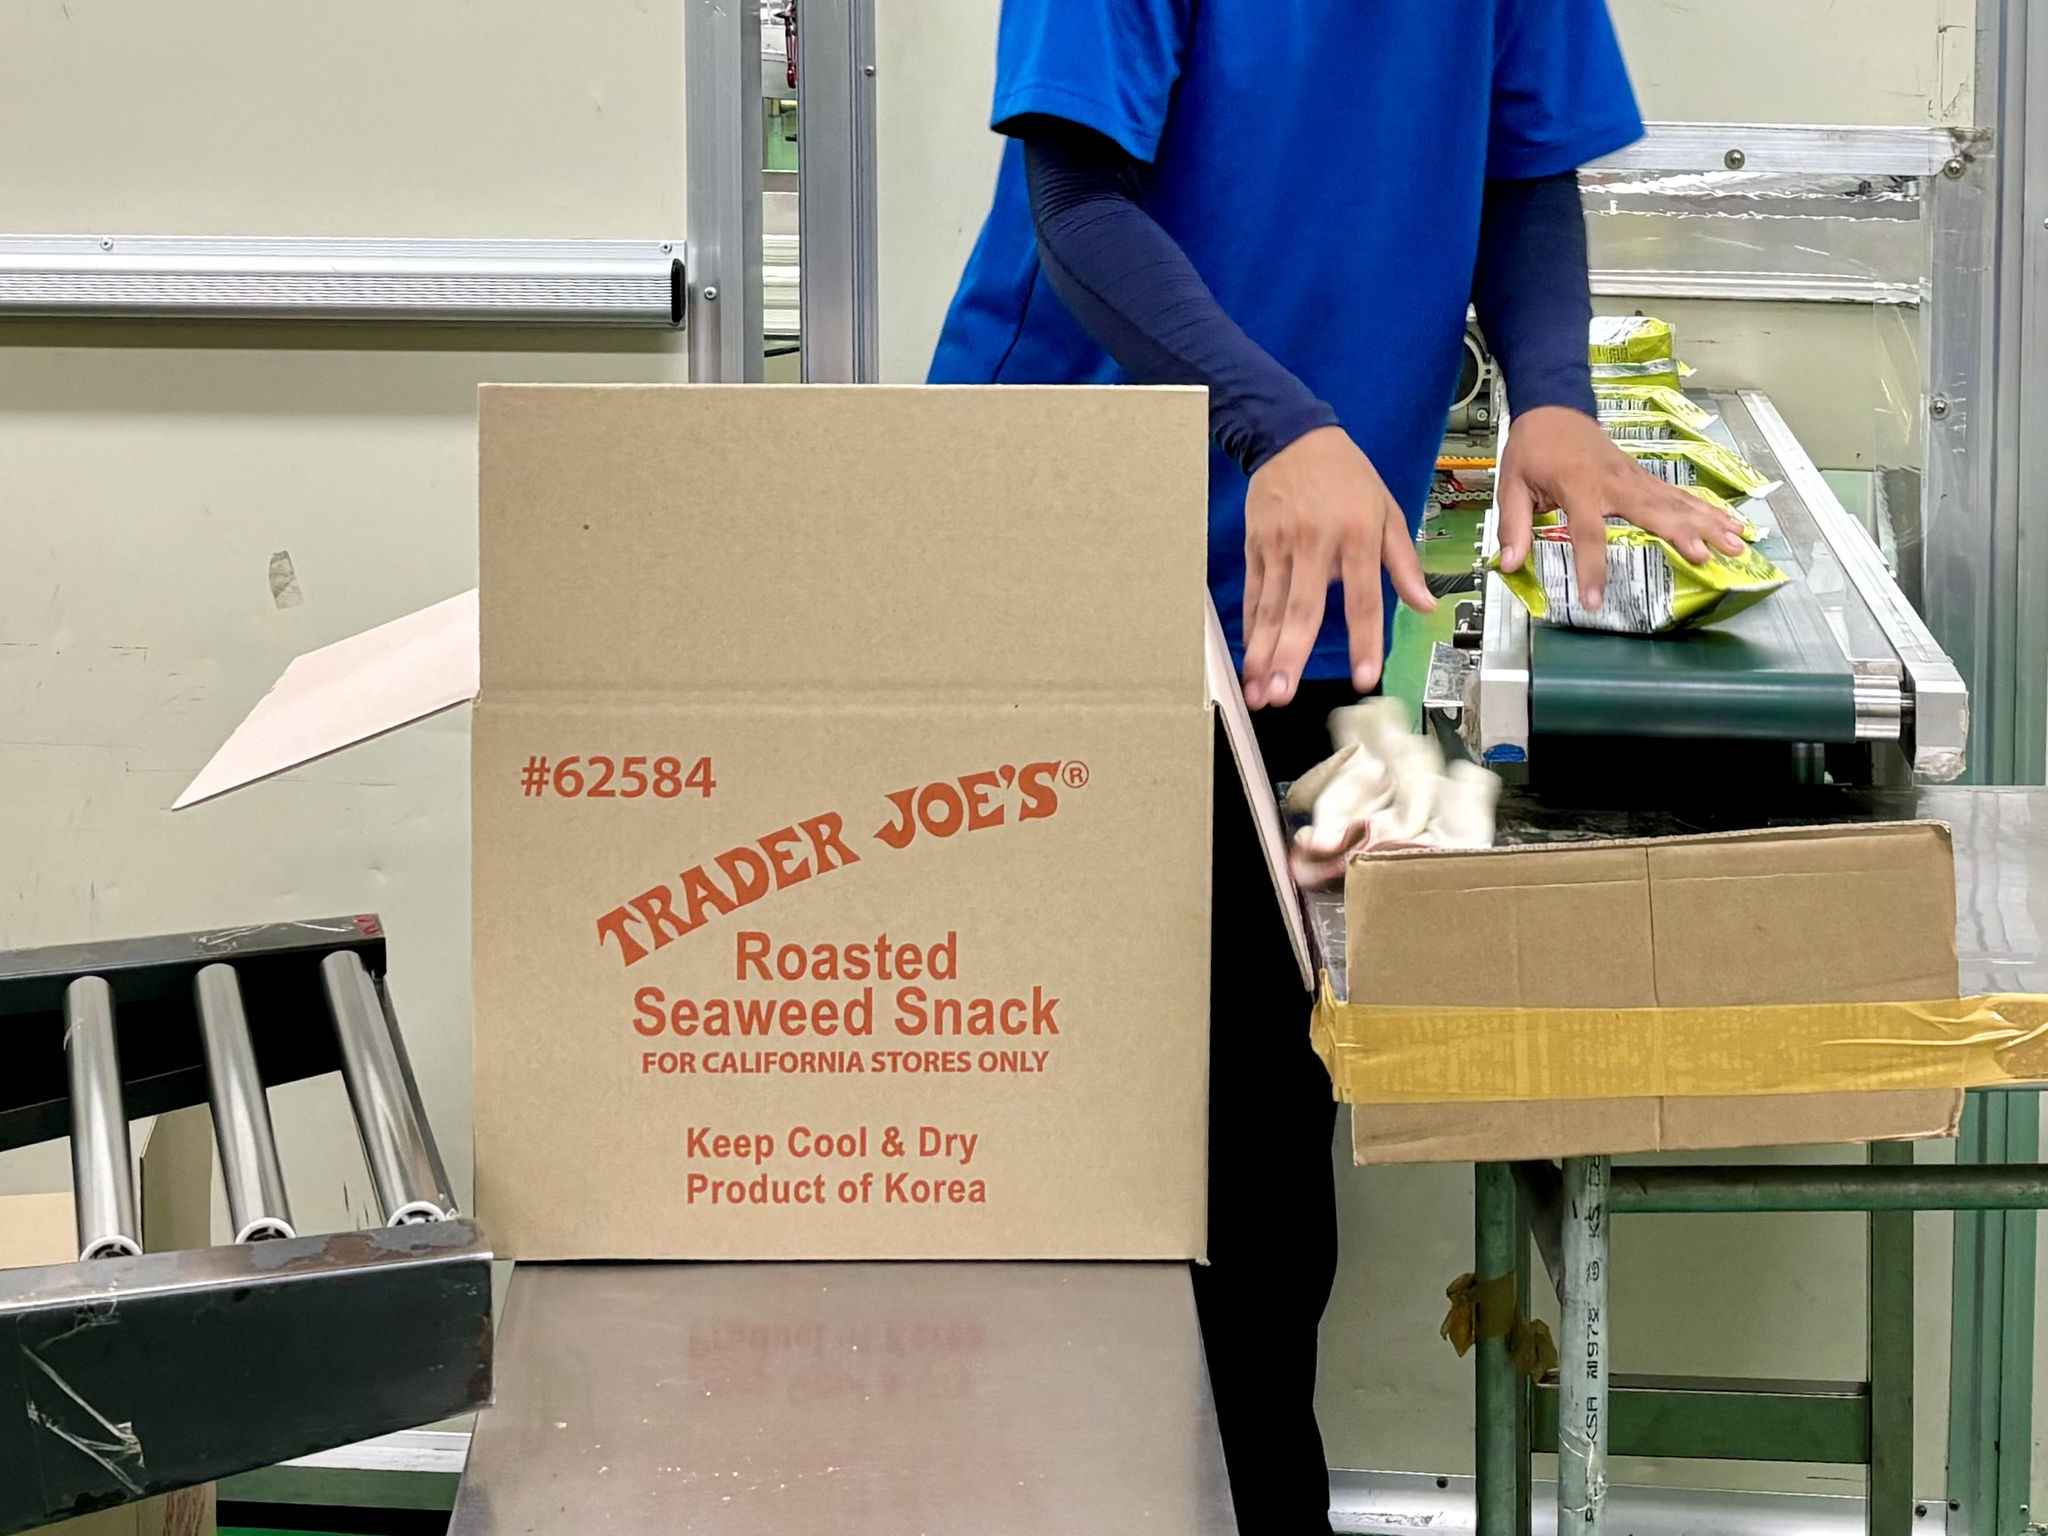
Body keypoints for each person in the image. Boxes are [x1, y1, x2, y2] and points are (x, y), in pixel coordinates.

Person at [929, 5, 1745, 1530]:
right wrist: (1272, 420)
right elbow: (1074, 202)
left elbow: (1519, 167)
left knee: (1267, 1156)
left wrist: (1551, 392)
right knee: (1086, 1152)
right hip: (1071, 566)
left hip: (1320, 589)